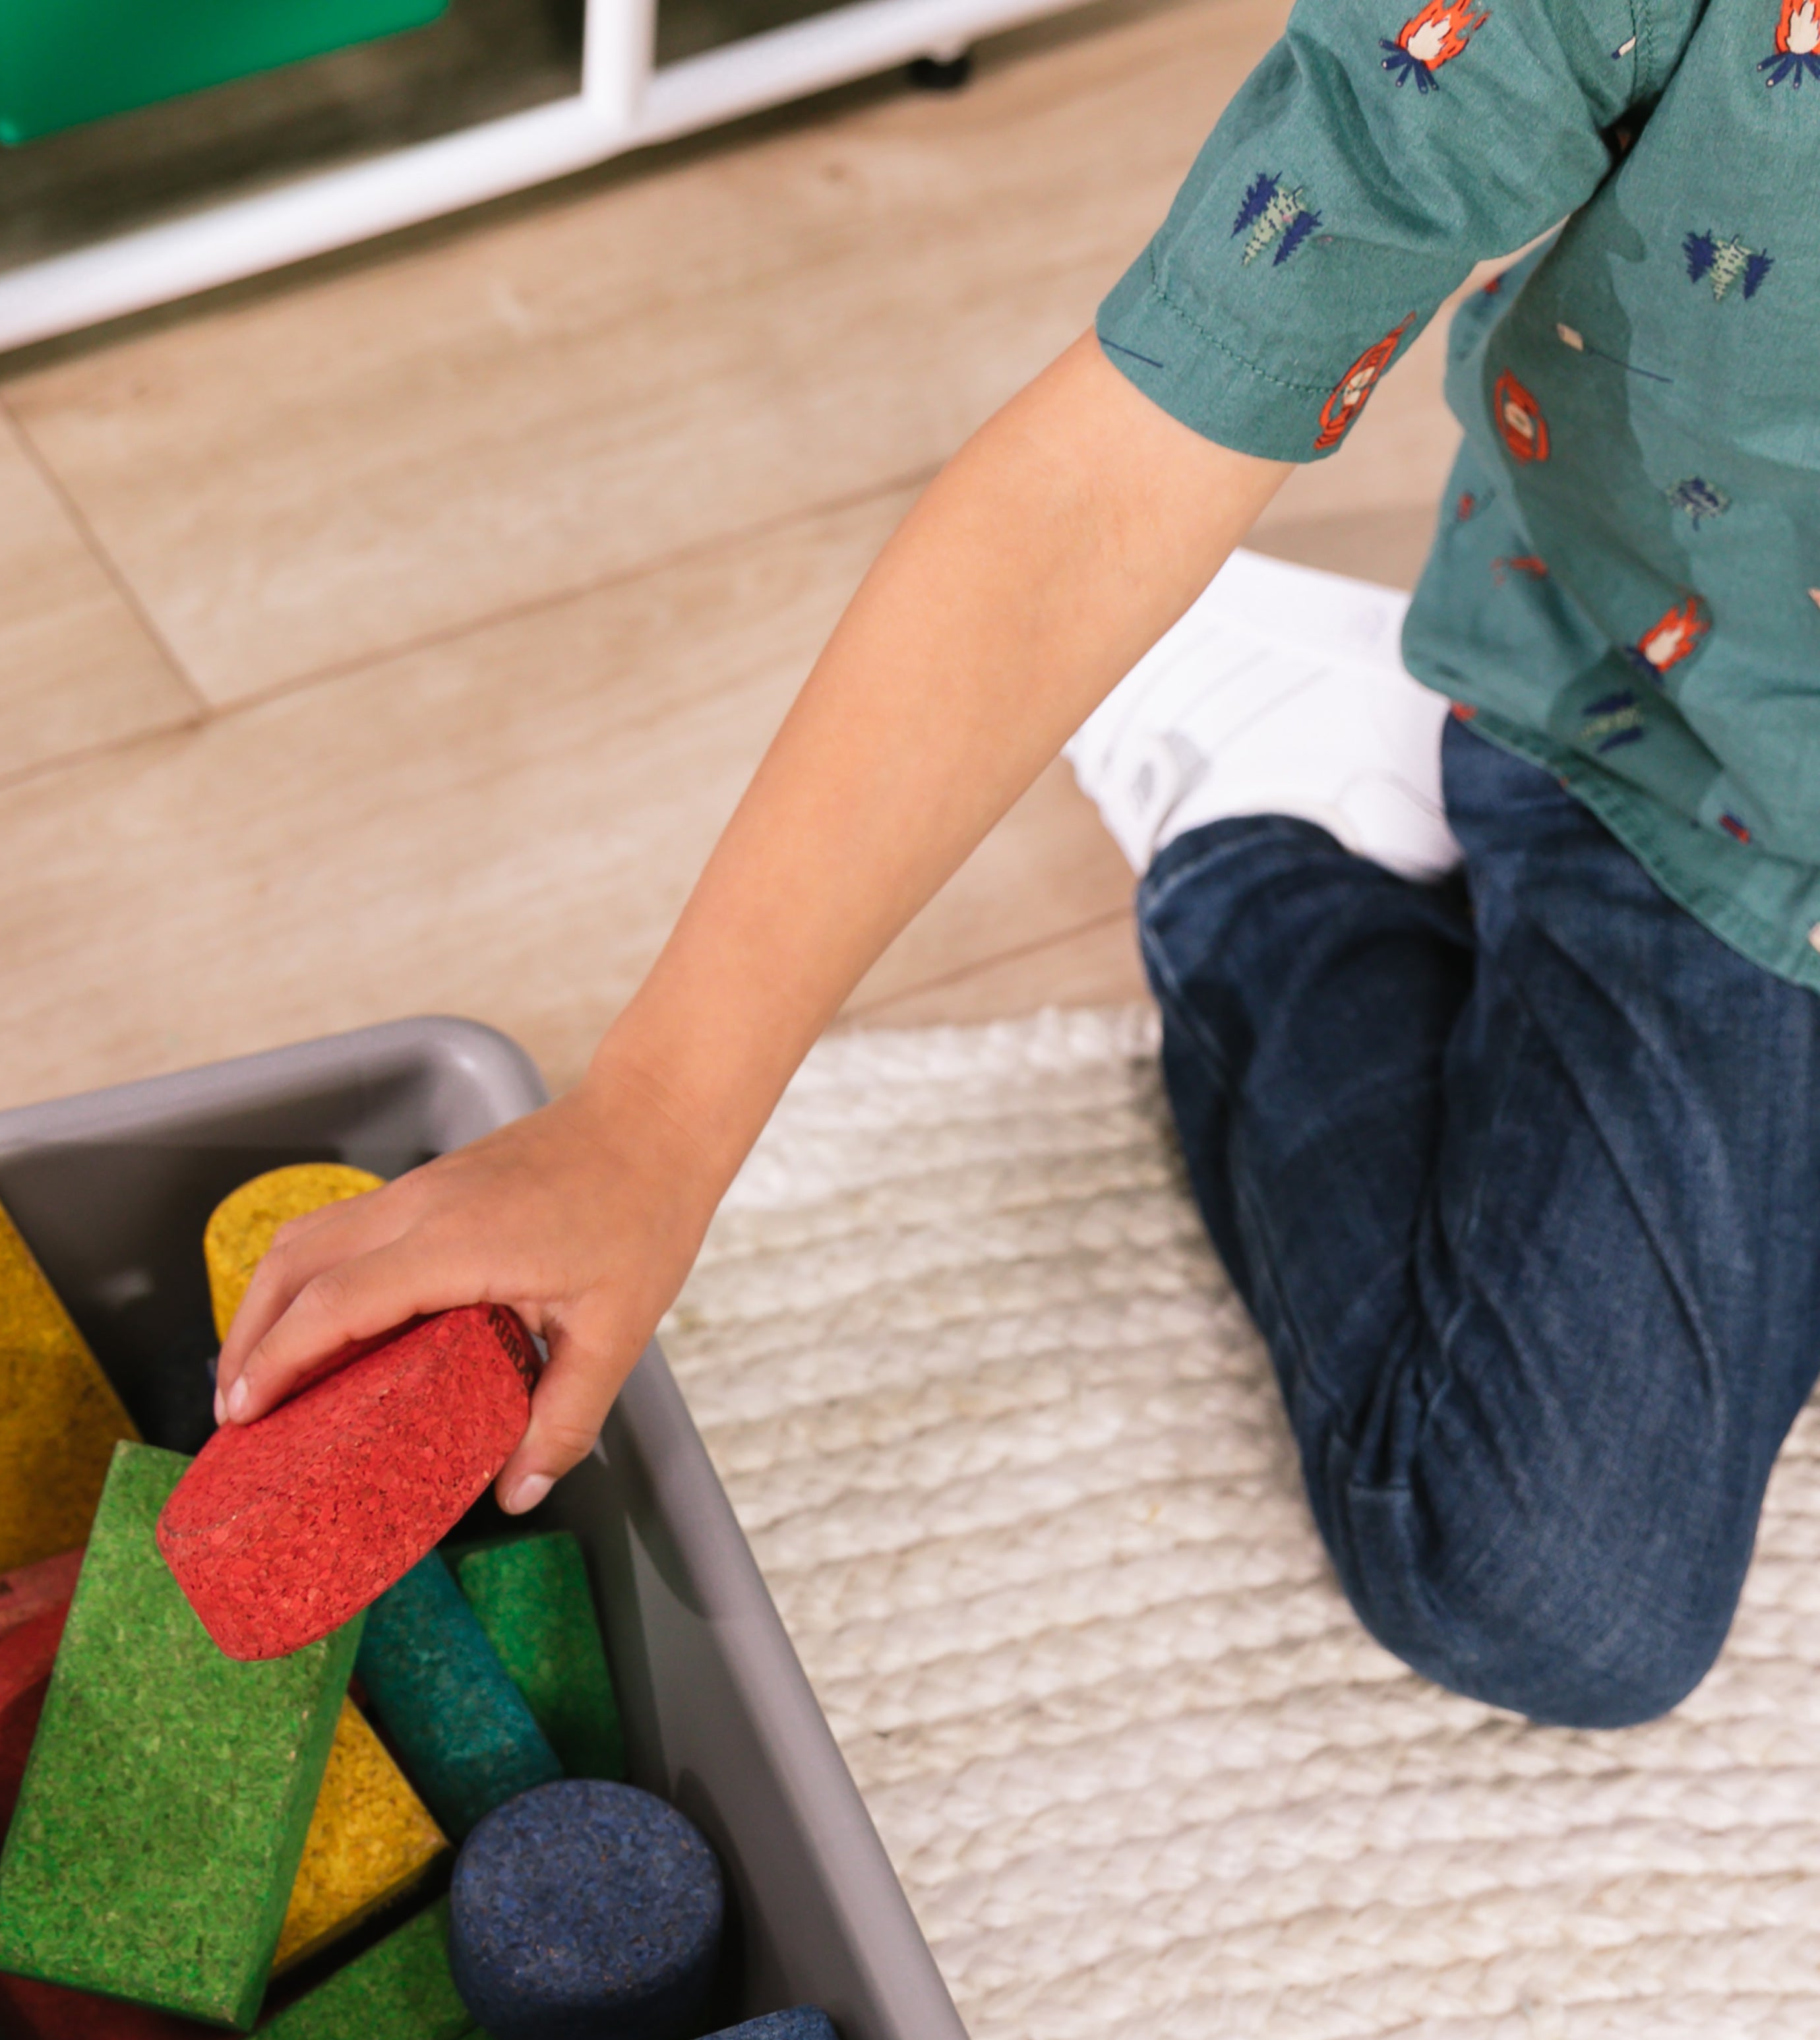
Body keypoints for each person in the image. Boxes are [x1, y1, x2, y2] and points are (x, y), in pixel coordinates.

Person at [216, 0, 1820, 1731]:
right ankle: (1268, 838)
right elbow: (1108, 471)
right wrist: (650, 1129)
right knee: (1559, 1585)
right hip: (1691, 769)